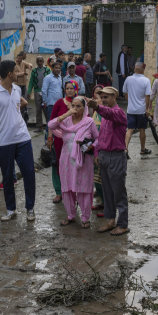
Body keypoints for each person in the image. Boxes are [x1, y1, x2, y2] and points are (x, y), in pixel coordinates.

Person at [0, 60, 36, 222]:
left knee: (29, 173)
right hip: (4, 141)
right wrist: (0, 122)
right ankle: (11, 209)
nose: (19, 73)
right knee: (7, 177)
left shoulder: (17, 89)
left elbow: (17, 105)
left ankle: (30, 209)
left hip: (23, 138)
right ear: (9, 74)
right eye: (16, 70)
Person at [48, 97, 99, 228]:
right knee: (67, 188)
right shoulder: (65, 121)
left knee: (84, 188)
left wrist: (91, 147)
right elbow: (51, 125)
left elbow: (98, 138)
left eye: (78, 107)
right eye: (73, 106)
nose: (75, 109)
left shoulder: (89, 122)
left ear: (84, 108)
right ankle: (70, 215)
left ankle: (85, 217)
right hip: (66, 159)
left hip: (83, 161)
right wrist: (67, 113)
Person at [86, 87, 128, 236]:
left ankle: (123, 224)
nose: (103, 100)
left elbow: (110, 114)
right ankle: (111, 220)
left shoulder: (119, 113)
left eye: (106, 97)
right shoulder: (102, 115)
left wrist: (97, 106)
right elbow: (100, 136)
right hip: (104, 155)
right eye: (101, 97)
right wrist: (97, 152)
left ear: (114, 97)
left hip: (116, 157)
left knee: (119, 192)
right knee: (107, 192)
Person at [49, 80, 79, 203]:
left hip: (75, 140)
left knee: (74, 164)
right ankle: (58, 191)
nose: (69, 90)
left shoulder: (80, 103)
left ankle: (75, 191)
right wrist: (50, 138)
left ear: (76, 89)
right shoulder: (59, 102)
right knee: (57, 164)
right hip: (59, 140)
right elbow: (52, 121)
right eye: (67, 88)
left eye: (72, 88)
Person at [122, 62, 152, 155]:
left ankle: (125, 149)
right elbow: (147, 96)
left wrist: (130, 100)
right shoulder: (146, 80)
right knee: (142, 129)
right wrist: (146, 109)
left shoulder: (128, 79)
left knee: (130, 129)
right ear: (143, 70)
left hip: (131, 109)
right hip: (141, 110)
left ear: (135, 69)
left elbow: (124, 92)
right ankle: (142, 149)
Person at [27, 56, 51, 133]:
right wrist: (29, 92)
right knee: (38, 109)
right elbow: (31, 82)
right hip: (37, 92)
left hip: (45, 92)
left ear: (43, 61)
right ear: (36, 62)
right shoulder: (34, 71)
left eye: (41, 61)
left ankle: (49, 125)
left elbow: (50, 80)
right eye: (38, 61)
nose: (39, 63)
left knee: (46, 109)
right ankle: (39, 127)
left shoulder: (47, 70)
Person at [91, 85, 105, 213]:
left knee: (104, 179)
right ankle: (101, 201)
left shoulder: (105, 112)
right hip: (95, 149)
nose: (96, 98)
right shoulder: (95, 111)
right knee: (97, 179)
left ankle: (106, 204)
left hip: (103, 150)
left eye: (99, 97)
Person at [42, 61, 64, 143]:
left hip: (59, 104)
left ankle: (55, 139)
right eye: (56, 68)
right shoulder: (48, 78)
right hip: (51, 103)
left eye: (59, 68)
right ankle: (46, 140)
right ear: (52, 68)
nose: (58, 69)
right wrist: (45, 101)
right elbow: (44, 90)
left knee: (57, 122)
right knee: (50, 122)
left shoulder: (59, 77)